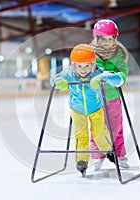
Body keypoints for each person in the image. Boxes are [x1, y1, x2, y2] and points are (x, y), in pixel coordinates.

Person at [50, 44, 124, 176]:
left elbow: (118, 79)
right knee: (81, 135)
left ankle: (108, 151)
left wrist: (102, 78)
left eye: (87, 66)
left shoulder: (97, 72)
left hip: (95, 108)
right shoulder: (69, 73)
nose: (83, 70)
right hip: (77, 109)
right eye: (79, 66)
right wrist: (58, 81)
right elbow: (54, 79)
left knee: (99, 132)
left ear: (93, 65)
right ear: (73, 65)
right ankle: (82, 161)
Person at [89, 19, 130, 171]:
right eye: (103, 39)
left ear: (115, 39)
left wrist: (118, 78)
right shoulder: (91, 53)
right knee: (97, 128)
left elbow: (122, 71)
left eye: (110, 39)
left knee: (116, 127)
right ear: (97, 39)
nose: (107, 42)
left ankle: (119, 155)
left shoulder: (118, 53)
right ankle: (98, 155)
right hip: (96, 98)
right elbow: (84, 69)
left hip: (112, 97)